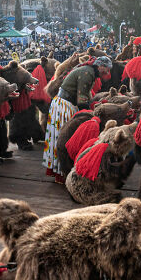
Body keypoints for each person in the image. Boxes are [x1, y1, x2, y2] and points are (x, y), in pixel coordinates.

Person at [43, 56, 113, 184]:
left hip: (65, 104)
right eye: (106, 70)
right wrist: (91, 115)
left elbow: (85, 96)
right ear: (100, 66)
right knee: (64, 138)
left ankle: (61, 171)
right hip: (64, 106)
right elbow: (82, 100)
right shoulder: (87, 73)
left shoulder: (89, 71)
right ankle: (62, 172)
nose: (107, 73)